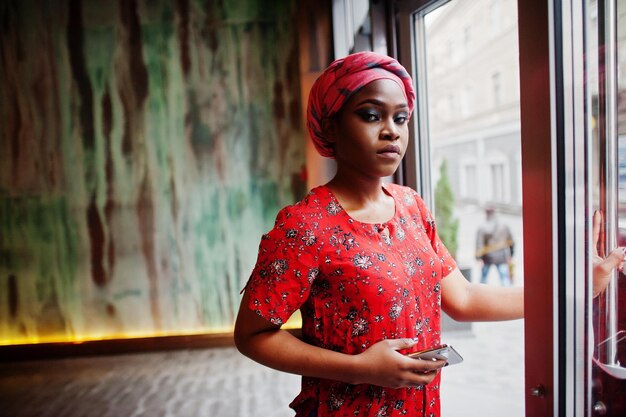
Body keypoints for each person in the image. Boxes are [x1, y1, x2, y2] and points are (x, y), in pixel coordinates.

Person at [234, 51, 624, 417]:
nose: (391, 132)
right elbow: (253, 336)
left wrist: (571, 290)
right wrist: (358, 369)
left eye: (401, 119)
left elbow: (464, 298)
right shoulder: (305, 226)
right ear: (331, 126)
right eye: (371, 116)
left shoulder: (411, 207)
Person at [475, 206, 515, 286]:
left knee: (484, 279)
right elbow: (511, 241)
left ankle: (482, 295)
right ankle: (507, 293)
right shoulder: (504, 225)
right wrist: (511, 254)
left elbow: (479, 244)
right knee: (504, 279)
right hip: (502, 256)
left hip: (487, 257)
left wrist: (479, 258)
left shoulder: (482, 227)